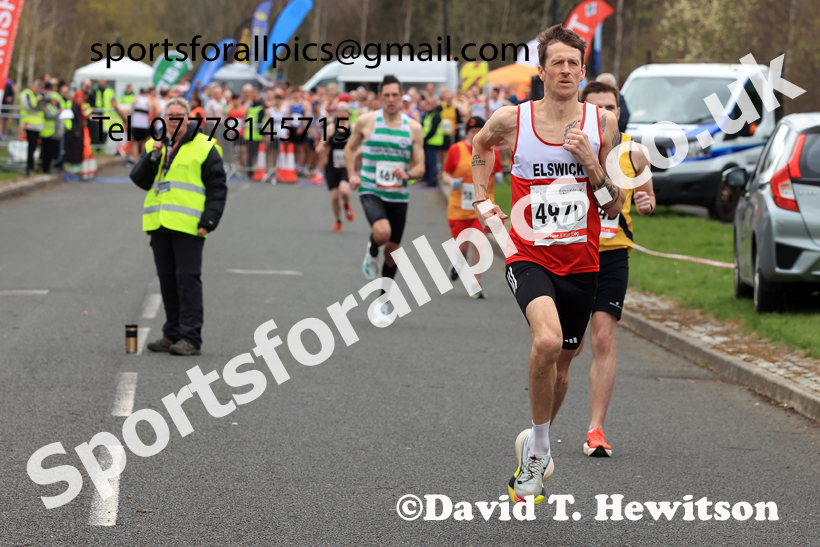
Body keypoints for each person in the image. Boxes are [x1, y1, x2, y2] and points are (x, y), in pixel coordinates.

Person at [471, 25, 624, 504]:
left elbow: (613, 207)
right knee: (547, 340)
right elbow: (480, 146)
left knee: (561, 370)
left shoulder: (602, 125)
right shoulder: (512, 120)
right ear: (541, 71)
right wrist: (480, 198)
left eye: (572, 64)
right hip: (528, 253)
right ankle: (539, 452)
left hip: (582, 262)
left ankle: (536, 446)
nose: (564, 71)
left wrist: (591, 164)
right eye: (555, 62)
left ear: (582, 71)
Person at [574, 80, 655, 457]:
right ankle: (544, 423)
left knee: (603, 339)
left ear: (619, 111)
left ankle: (596, 429)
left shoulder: (635, 153)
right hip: (572, 252)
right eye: (597, 108)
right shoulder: (569, 149)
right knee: (566, 348)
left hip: (612, 255)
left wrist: (644, 200)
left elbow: (648, 199)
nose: (605, 114)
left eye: (611, 107)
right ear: (584, 109)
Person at [129, 97, 228, 356]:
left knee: (187, 281)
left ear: (187, 118)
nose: (173, 119)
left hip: (190, 226)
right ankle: (171, 333)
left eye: (178, 115)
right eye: (169, 114)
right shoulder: (155, 143)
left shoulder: (205, 146)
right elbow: (139, 180)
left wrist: (209, 220)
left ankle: (190, 338)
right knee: (167, 282)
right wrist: (153, 156)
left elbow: (218, 187)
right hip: (159, 223)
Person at [345, 75, 425, 320]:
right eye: (386, 95)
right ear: (380, 98)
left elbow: (421, 167)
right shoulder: (367, 122)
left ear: (401, 97)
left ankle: (384, 298)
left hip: (398, 195)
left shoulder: (413, 128)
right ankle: (371, 249)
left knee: (393, 249)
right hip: (371, 188)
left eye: (395, 95)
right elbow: (349, 149)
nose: (391, 100)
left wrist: (408, 173)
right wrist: (352, 175)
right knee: (382, 233)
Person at [442, 116, 503, 298]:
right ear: (466, 133)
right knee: (461, 248)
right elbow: (445, 173)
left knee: (480, 242)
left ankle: (476, 283)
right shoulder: (456, 149)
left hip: (483, 207)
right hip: (459, 208)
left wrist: (498, 176)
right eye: (472, 132)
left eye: (479, 131)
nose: (476, 134)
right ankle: (459, 263)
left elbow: (498, 170)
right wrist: (451, 181)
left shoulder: (492, 150)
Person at [316, 107, 356, 232]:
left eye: (345, 111)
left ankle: (346, 204)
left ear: (348, 114)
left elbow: (360, 143)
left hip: (347, 165)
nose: (343, 113)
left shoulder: (353, 127)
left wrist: (358, 152)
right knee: (334, 197)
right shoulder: (331, 128)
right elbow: (321, 143)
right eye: (340, 111)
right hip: (332, 166)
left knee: (344, 191)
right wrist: (319, 148)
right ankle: (338, 221)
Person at [19, 79, 43, 176]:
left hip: (37, 125)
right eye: (37, 87)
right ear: (33, 86)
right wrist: (38, 105)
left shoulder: (39, 96)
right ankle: (29, 166)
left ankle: (31, 165)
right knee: (31, 145)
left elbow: (43, 105)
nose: (38, 90)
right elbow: (29, 107)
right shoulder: (27, 94)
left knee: (34, 145)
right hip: (29, 124)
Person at [39, 83, 62, 174]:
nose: (55, 101)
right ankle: (45, 168)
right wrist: (58, 113)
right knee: (46, 152)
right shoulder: (47, 107)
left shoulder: (53, 107)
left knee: (50, 152)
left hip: (52, 132)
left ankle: (48, 167)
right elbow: (49, 116)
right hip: (47, 133)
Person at [421, 95, 444, 187]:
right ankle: (427, 178)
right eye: (428, 103)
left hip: (433, 142)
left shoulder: (436, 115)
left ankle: (432, 180)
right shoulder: (429, 114)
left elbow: (433, 130)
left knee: (432, 162)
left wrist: (425, 138)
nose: (429, 105)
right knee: (427, 161)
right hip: (428, 142)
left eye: (431, 103)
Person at [130, 88, 152, 164]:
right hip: (144, 124)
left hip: (136, 124)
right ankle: (142, 158)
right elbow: (151, 111)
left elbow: (131, 110)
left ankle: (135, 159)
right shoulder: (148, 100)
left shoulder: (136, 99)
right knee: (143, 142)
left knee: (136, 143)